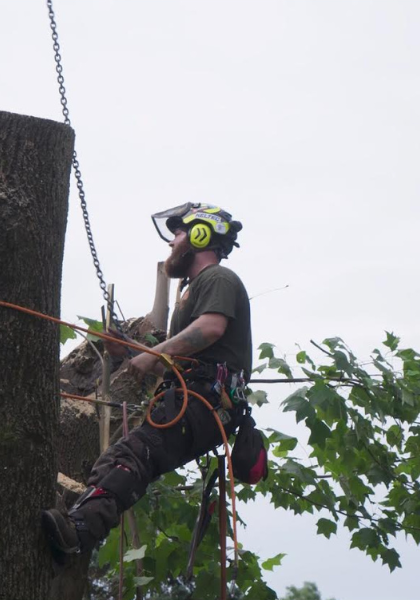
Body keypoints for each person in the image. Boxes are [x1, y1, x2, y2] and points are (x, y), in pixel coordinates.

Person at [42, 202, 252, 557]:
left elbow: (211, 328)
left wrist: (152, 354)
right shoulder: (193, 292)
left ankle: (78, 533)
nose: (172, 244)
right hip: (194, 397)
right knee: (118, 457)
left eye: (179, 234)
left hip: (208, 400)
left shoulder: (217, 279)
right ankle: (80, 522)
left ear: (201, 235)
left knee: (133, 455)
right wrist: (128, 351)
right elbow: (172, 364)